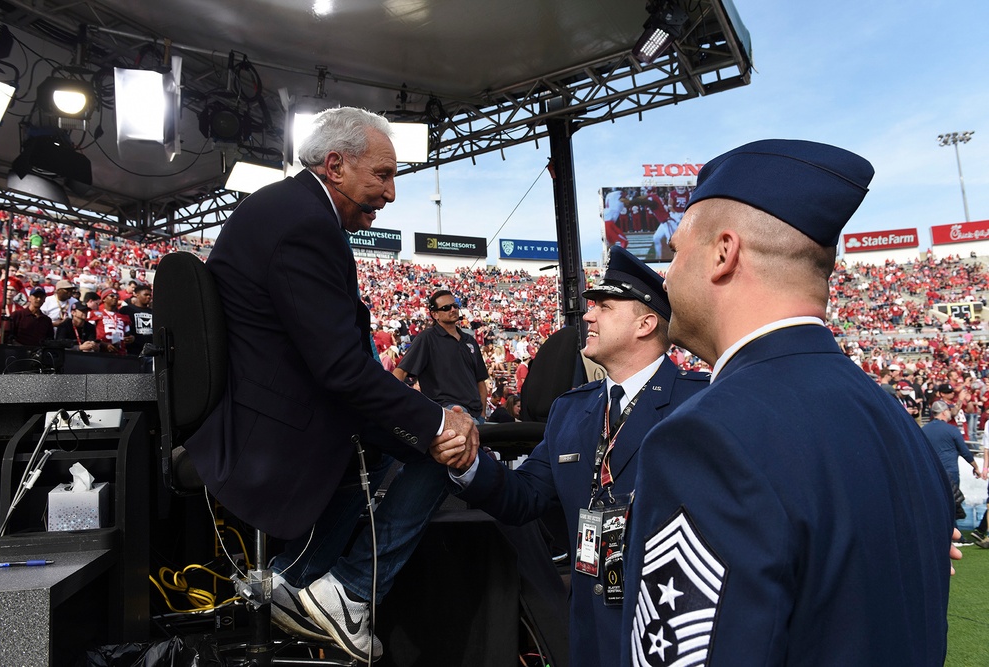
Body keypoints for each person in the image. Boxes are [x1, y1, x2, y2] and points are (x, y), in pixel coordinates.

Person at [620, 139, 953, 666]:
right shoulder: (894, 418)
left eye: (677, 251)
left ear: (723, 253)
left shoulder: (706, 436)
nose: (665, 274)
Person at [184, 107, 476, 662]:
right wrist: (439, 420)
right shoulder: (302, 222)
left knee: (420, 437)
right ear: (336, 165)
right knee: (448, 444)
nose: (391, 194)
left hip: (279, 413)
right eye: (383, 175)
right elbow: (341, 369)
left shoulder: (290, 210)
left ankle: (292, 582)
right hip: (275, 432)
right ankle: (346, 592)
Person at [431, 246, 708, 667]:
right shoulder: (572, 409)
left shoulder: (699, 403)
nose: (588, 316)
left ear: (646, 323)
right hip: (588, 623)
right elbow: (523, 497)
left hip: (668, 627)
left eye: (605, 307)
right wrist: (468, 462)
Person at [393, 289, 490, 423]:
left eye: (455, 305)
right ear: (435, 314)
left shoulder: (469, 340)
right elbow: (401, 371)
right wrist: (394, 402)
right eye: (446, 308)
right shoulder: (427, 338)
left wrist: (483, 414)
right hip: (447, 410)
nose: (452, 309)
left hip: (476, 414)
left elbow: (480, 380)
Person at [924, 399, 980, 539]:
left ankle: (939, 533)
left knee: (935, 503)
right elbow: (965, 451)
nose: (950, 412)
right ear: (943, 412)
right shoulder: (951, 429)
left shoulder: (924, 430)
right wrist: (976, 467)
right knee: (952, 503)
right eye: (948, 410)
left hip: (931, 472)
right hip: (950, 471)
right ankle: (956, 535)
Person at [118, 283, 153, 356]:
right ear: (137, 294)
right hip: (133, 351)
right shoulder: (126, 310)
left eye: (150, 295)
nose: (149, 297)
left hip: (150, 352)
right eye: (146, 295)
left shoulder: (153, 312)